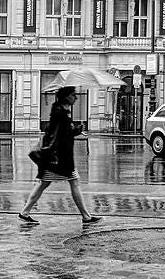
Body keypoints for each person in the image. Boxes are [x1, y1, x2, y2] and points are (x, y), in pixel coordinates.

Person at [18, 86, 102, 225]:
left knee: (44, 184)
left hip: (58, 158)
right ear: (66, 97)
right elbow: (59, 136)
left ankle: (25, 213)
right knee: (72, 181)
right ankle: (86, 217)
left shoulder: (61, 112)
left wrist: (75, 130)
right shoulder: (60, 113)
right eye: (73, 95)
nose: (76, 97)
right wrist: (75, 130)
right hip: (59, 159)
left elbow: (61, 134)